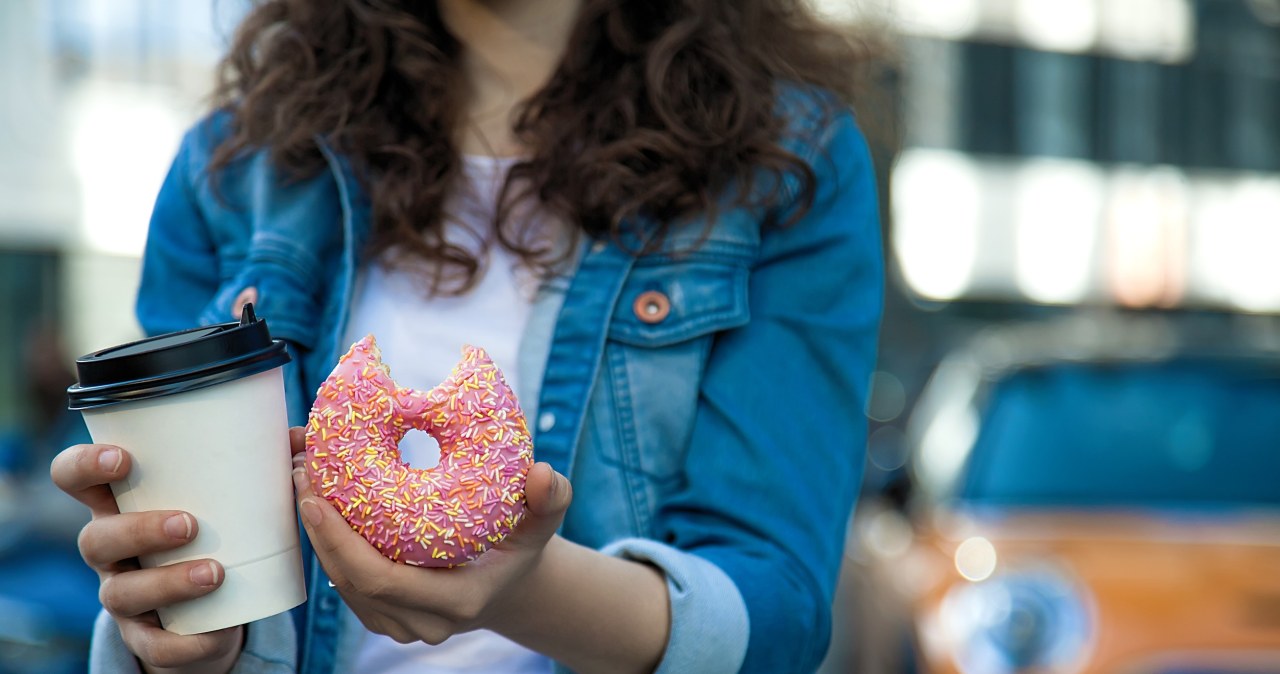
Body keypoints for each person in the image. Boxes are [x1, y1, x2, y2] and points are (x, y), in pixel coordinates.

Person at [50, 0, 884, 672]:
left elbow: (777, 615)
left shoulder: (788, 162)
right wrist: (191, 638)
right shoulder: (236, 166)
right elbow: (204, 599)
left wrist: (523, 591)